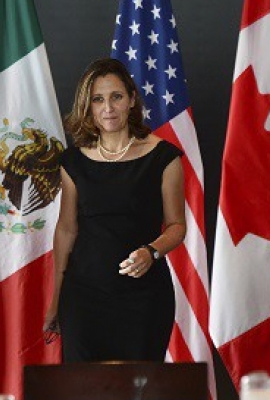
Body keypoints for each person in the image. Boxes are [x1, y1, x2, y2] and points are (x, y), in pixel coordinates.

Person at [43, 58, 186, 361]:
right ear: (88, 106)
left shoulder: (164, 157)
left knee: (139, 391)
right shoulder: (73, 162)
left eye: (116, 97)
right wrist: (56, 299)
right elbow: (67, 230)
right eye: (98, 99)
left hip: (143, 298)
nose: (108, 107)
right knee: (82, 391)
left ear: (132, 100)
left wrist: (152, 251)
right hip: (83, 297)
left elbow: (177, 226)